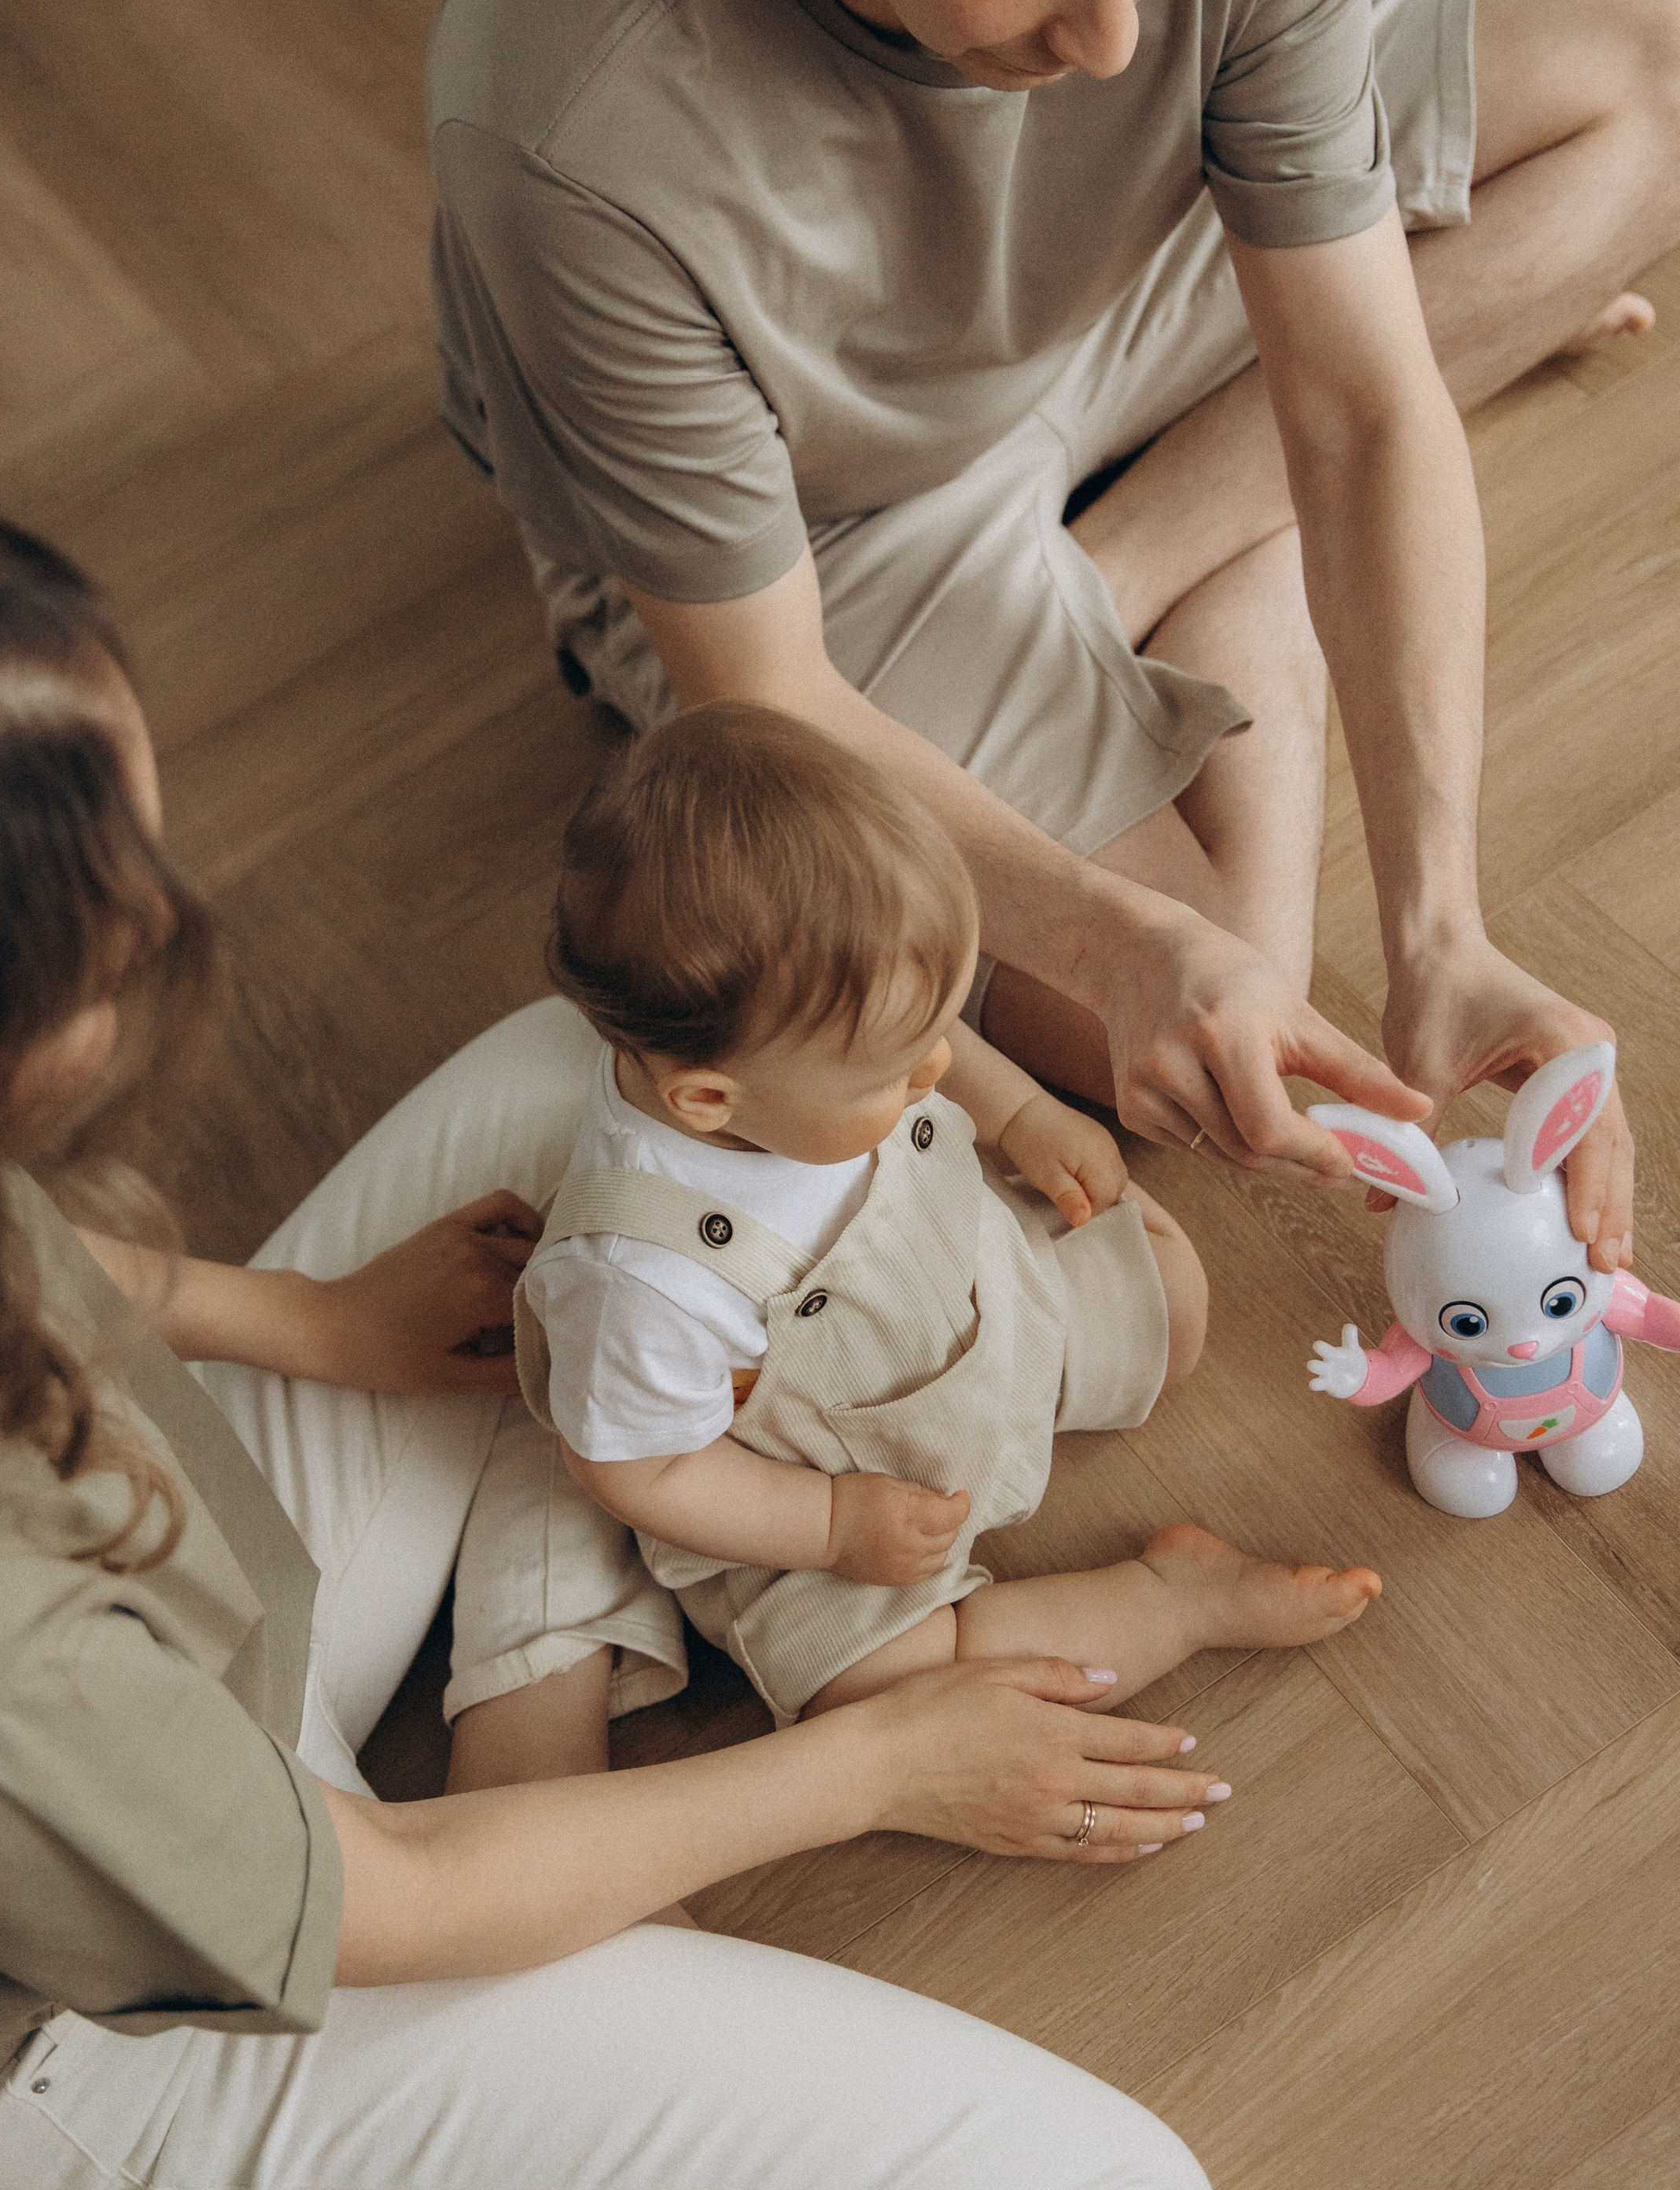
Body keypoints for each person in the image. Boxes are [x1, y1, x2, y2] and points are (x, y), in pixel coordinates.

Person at [0, 479, 1237, 2190]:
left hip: (183, 1664)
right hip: (108, 2046)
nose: (163, 922)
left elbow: (15, 1244)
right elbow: (373, 1898)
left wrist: (301, 1322)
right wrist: (867, 1767)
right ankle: (550, 1782)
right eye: (101, 915)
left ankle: (539, 1722)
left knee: (551, 1088)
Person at [428, 0, 1674, 1274]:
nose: (1105, 42)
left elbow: (1351, 395)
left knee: (1658, 69)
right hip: (827, 528)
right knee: (1182, 1038)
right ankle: (1196, 542)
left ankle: (1133, 555)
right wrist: (1126, 943)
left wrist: (1440, 928)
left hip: (1145, 266)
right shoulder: (571, 113)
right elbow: (759, 689)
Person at [514, 702, 1379, 1738]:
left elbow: (934, 1049)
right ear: (709, 1101)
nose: (936, 1067)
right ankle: (1175, 1600)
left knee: (1176, 1309)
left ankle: (1041, 1378)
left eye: (941, 1023)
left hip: (981, 1306)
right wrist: (832, 1527)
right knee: (886, 1688)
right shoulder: (644, 1282)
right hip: (824, 1483)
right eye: (900, 1064)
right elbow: (637, 1467)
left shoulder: (821, 1049)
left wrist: (1022, 1116)